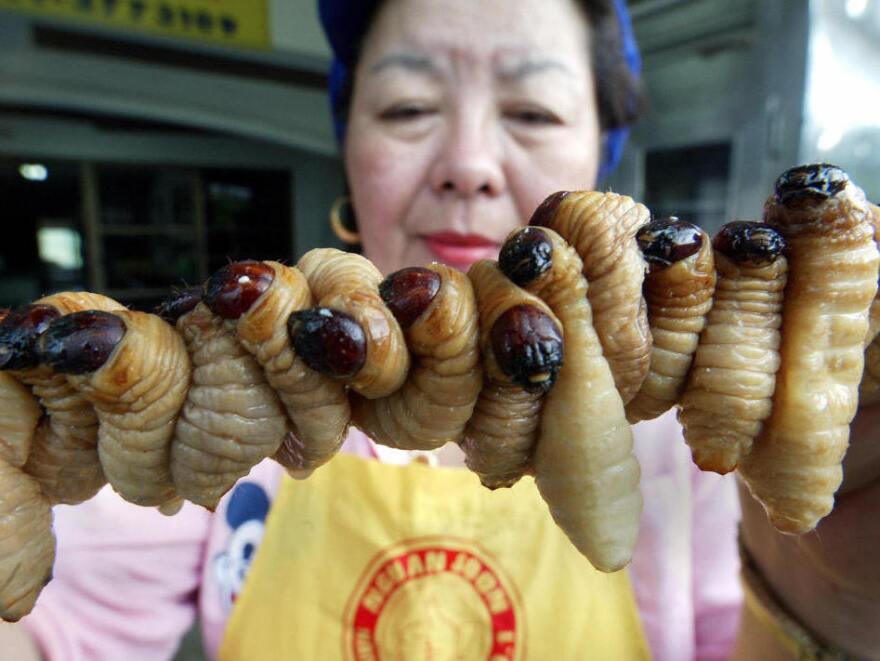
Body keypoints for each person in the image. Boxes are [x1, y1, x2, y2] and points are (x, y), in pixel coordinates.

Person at [2, 0, 878, 659]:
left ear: (600, 154)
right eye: (408, 107)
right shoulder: (222, 409)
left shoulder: (705, 455)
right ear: (348, 148)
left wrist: (823, 593)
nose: (465, 163)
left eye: (531, 112)